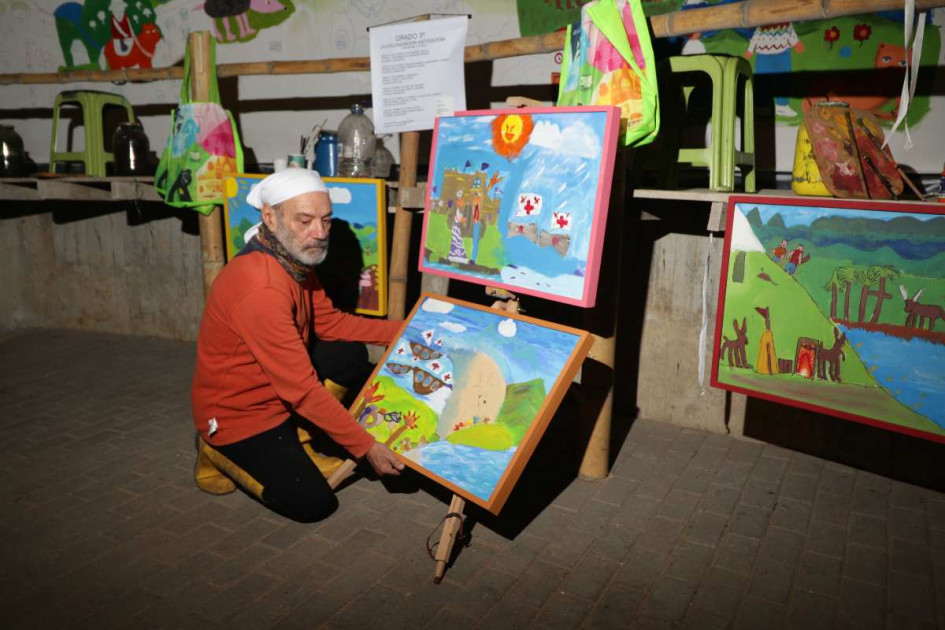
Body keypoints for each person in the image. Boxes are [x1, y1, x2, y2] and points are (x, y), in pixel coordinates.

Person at [190, 169, 404, 523]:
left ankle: (299, 439)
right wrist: (366, 447)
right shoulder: (261, 288)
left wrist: (409, 330)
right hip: (237, 415)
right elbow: (301, 389)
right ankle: (213, 448)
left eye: (325, 220)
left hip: (279, 396)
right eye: (304, 221)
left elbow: (331, 323)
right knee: (312, 504)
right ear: (270, 217)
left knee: (348, 354)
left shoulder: (291, 259)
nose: (319, 234)